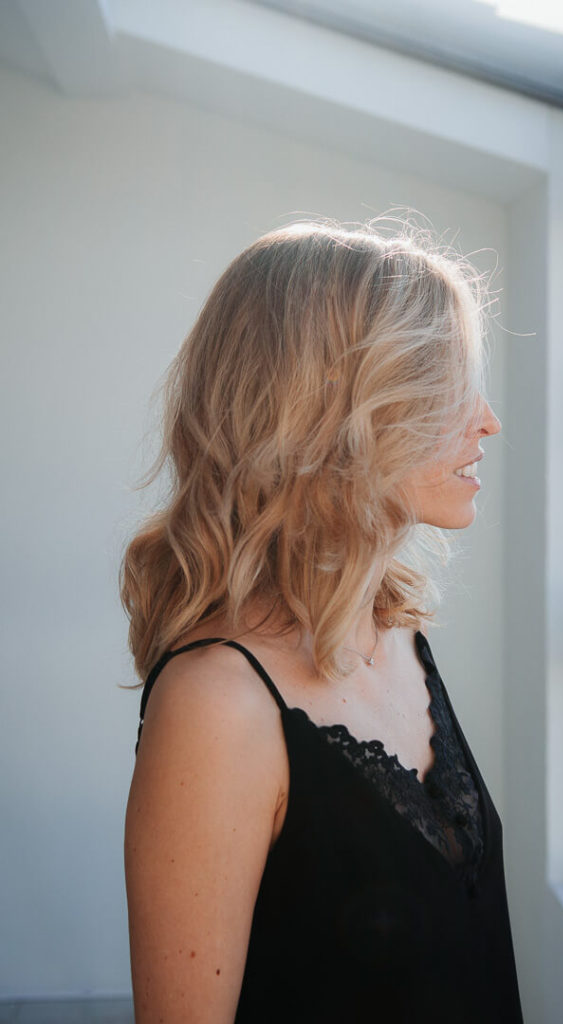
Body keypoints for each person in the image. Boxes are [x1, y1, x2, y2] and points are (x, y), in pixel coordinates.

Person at [121, 216, 524, 1023]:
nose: (486, 420)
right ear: (335, 413)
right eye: (446, 387)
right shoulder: (216, 707)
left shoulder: (395, 632)